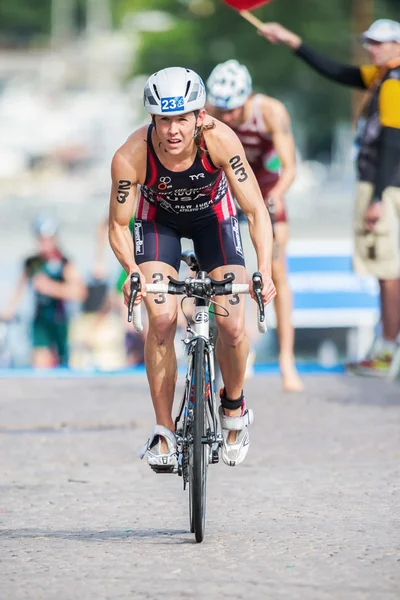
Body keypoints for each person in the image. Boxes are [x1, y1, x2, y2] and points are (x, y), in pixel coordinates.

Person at [108, 66, 276, 470]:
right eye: (164, 120)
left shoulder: (220, 140)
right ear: (153, 120)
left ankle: (233, 407)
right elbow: (117, 225)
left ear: (200, 117)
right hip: (158, 224)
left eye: (182, 118)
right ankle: (164, 429)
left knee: (234, 323)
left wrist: (265, 270)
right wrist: (132, 270)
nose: (173, 130)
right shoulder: (131, 155)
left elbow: (255, 210)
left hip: (214, 221)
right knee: (162, 319)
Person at [258, 19, 400, 376]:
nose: (372, 48)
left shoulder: (394, 83)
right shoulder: (382, 76)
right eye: (370, 42)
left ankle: (387, 351)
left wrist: (379, 196)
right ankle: (387, 347)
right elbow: (339, 72)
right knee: (386, 269)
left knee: (388, 271)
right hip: (381, 183)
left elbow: (394, 142)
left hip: (385, 185)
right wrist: (292, 40)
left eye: (380, 43)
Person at [206, 60, 303, 391]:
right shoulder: (210, 112)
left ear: (247, 97)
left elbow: (290, 167)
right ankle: (240, 351)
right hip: (230, 188)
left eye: (232, 110)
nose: (227, 117)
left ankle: (286, 361)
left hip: (266, 186)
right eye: (222, 110)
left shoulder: (271, 112)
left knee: (277, 272)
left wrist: (274, 196)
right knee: (234, 270)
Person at [1, 215, 87, 368]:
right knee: (39, 362)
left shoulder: (65, 263)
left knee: (64, 363)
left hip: (61, 321)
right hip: (40, 321)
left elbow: (79, 292)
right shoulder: (32, 262)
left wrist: (51, 287)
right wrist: (9, 311)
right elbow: (18, 290)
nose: (43, 243)